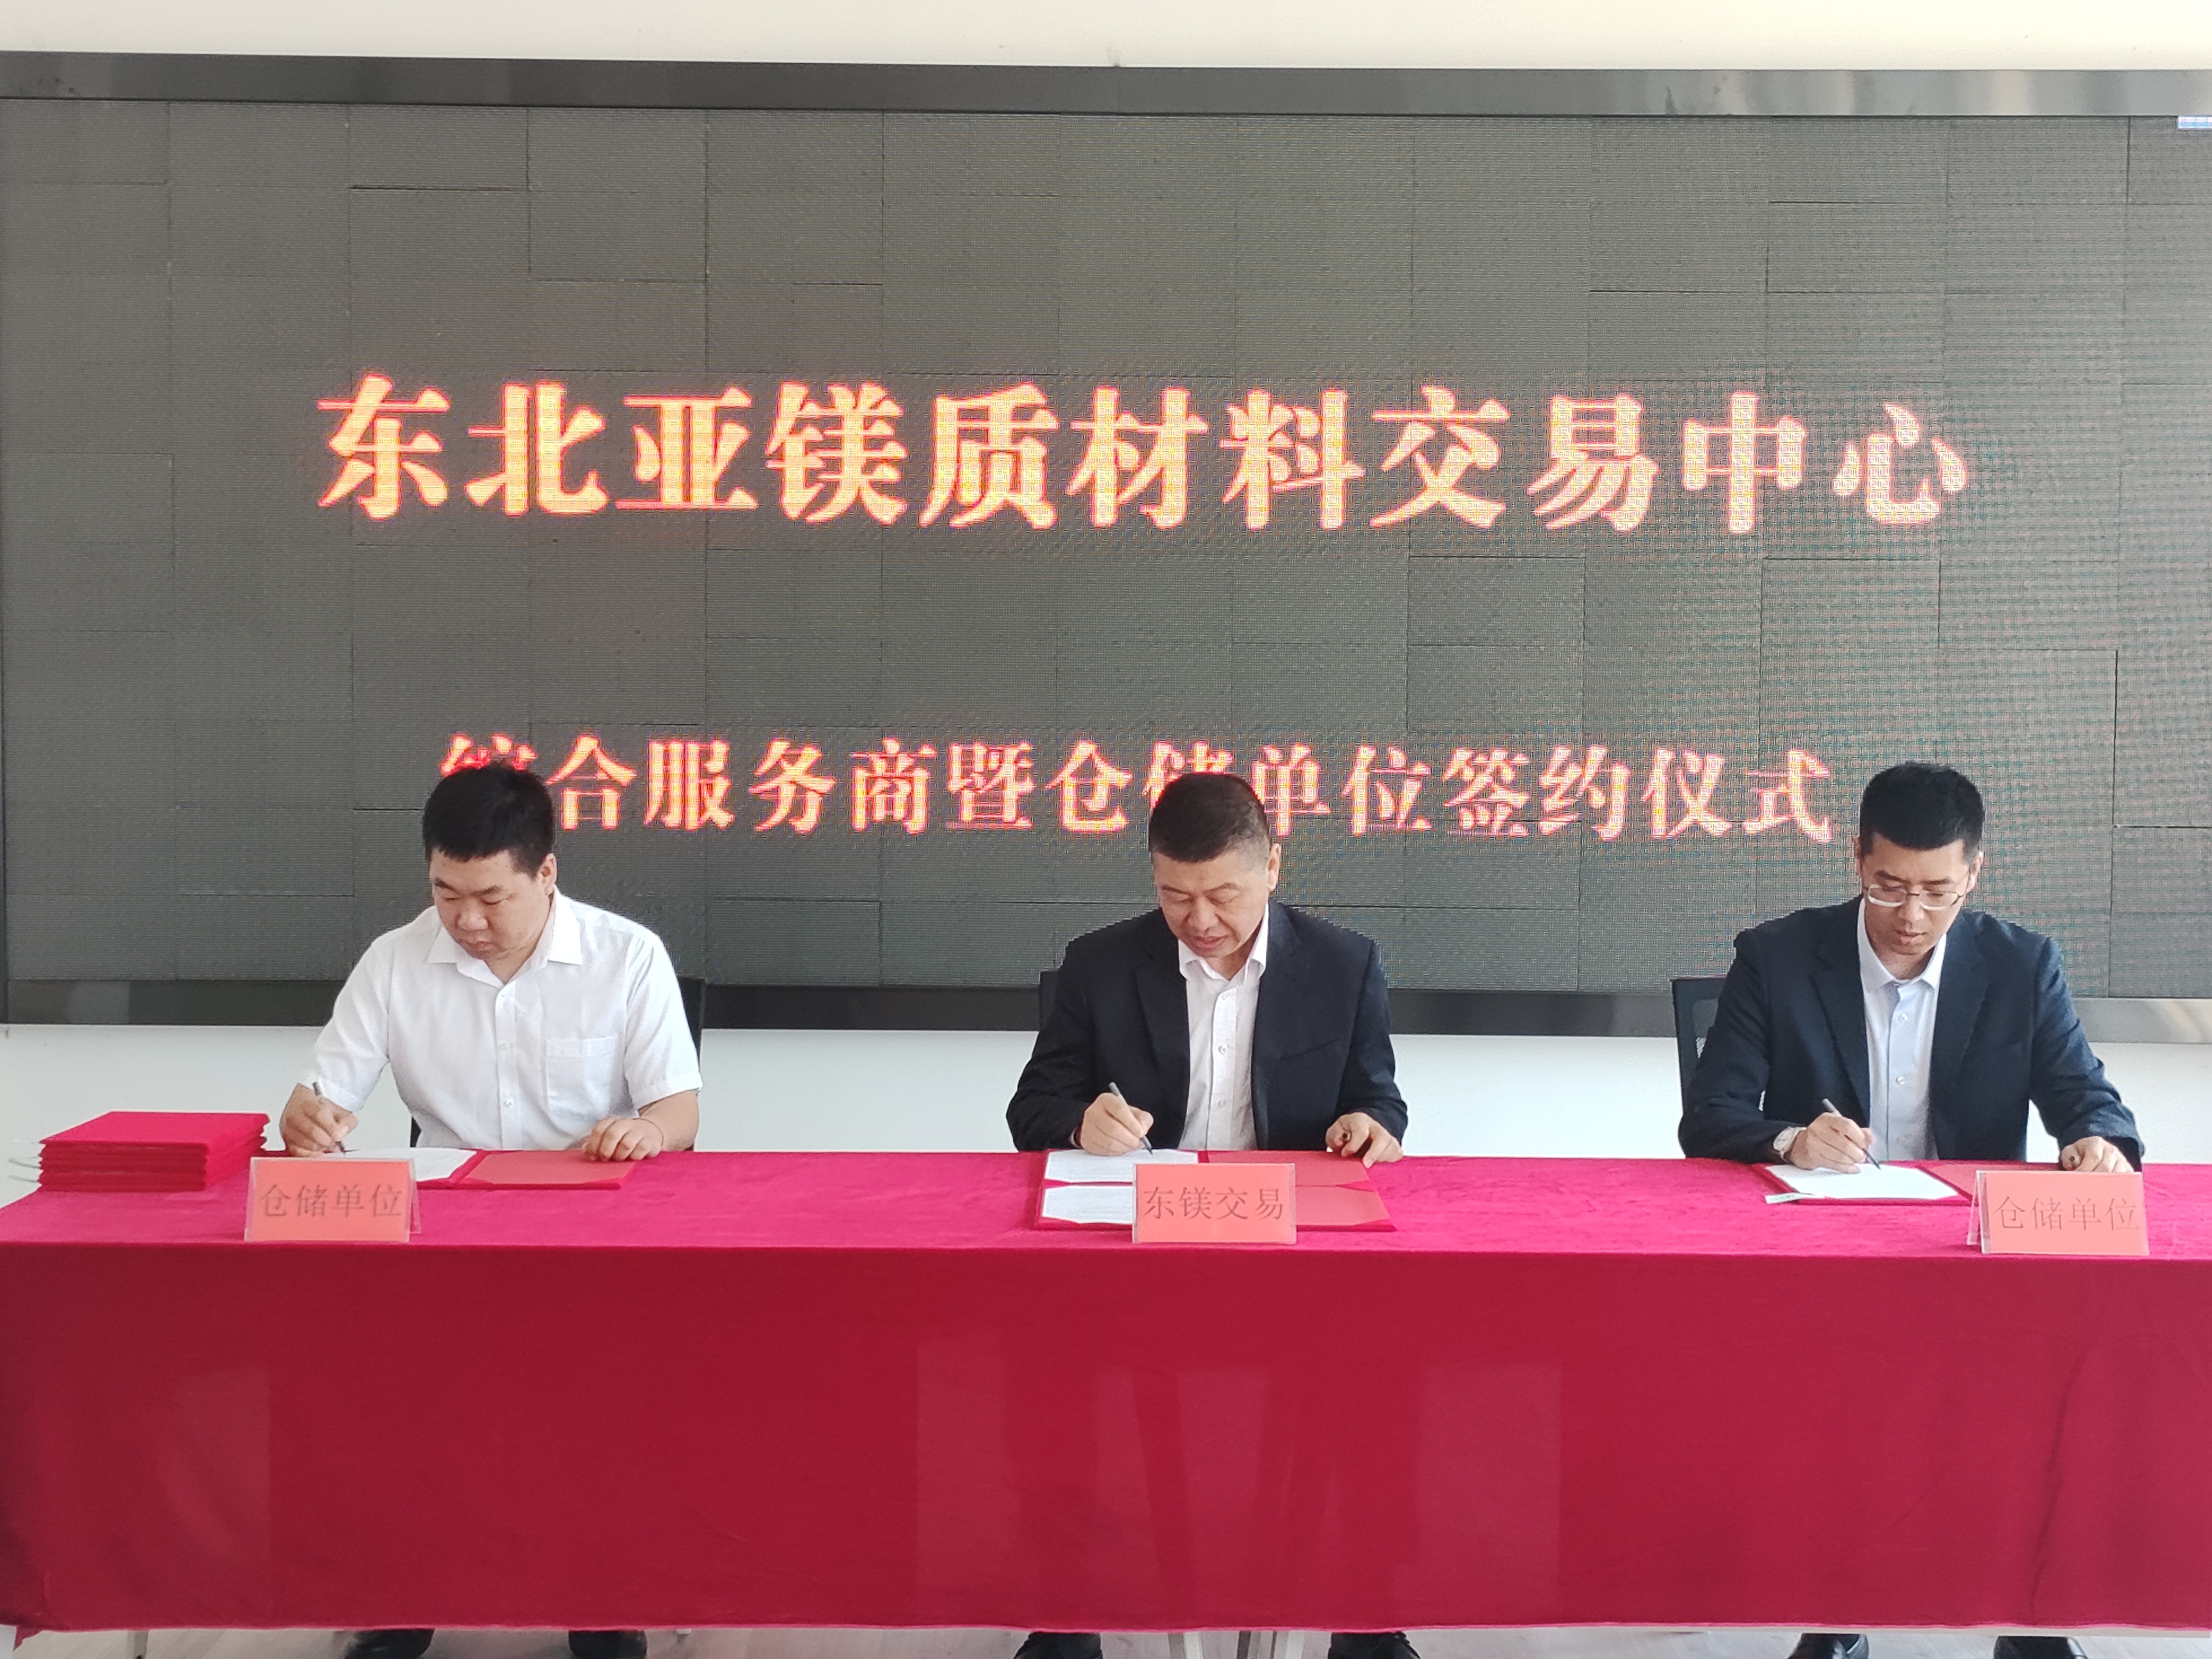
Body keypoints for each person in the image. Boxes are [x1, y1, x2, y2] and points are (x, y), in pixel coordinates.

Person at [1682, 761, 2139, 1659]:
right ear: (1857, 858)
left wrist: (2099, 1142)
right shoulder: (1778, 956)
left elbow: (2087, 1098)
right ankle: (1836, 1611)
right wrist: (1790, 1139)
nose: (1912, 915)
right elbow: (1711, 1116)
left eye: (1937, 891)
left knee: (2047, 1394)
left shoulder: (2021, 964)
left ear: (1975, 873)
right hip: (1826, 1252)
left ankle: (2029, 1616)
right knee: (1839, 1412)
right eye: (1889, 886)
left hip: (1968, 1254)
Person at [281, 763, 702, 1659]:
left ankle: (602, 1609)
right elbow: (321, 1096)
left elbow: (679, 1112)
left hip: (591, 1235)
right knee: (402, 1422)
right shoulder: (393, 961)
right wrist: (306, 1116)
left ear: (545, 873)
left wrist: (644, 1130)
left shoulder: (627, 956)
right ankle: (400, 1606)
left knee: (596, 1428)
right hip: (444, 1237)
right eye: (446, 894)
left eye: (490, 898)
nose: (467, 921)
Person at [1006, 771, 1414, 1659]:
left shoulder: (1345, 965)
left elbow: (1381, 1099)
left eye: (1223, 895)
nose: (1199, 920)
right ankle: (1066, 1617)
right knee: (1052, 1371)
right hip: (1138, 1252)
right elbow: (1032, 1107)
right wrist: (1079, 1120)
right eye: (1174, 895)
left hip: (1289, 1253)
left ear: (1273, 867)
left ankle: (1368, 1622)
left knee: (1378, 1375)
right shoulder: (1101, 964)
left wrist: (1370, 1125)